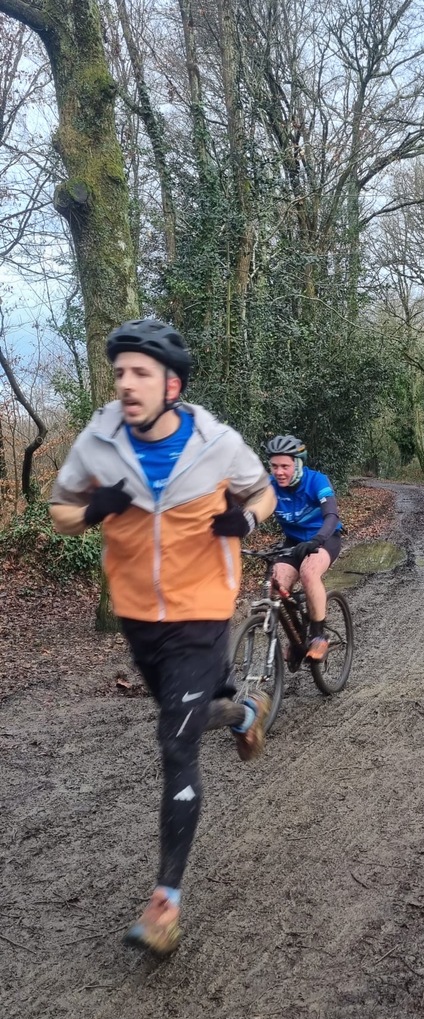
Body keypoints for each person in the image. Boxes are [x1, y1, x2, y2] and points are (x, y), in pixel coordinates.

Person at [50, 318, 277, 956]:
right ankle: (243, 713)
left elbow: (261, 493)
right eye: (120, 372)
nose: (126, 383)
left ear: (172, 384)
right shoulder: (97, 442)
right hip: (138, 614)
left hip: (202, 609)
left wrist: (246, 520)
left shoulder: (217, 444)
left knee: (175, 741)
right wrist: (91, 512)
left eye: (140, 373)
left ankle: (165, 903)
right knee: (187, 715)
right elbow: (60, 513)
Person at [266, 435, 342, 661]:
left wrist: (317, 540)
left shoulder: (316, 481)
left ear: (297, 464)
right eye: (274, 466)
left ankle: (318, 635)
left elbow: (331, 515)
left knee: (309, 572)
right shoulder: (270, 486)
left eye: (285, 466)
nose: (279, 472)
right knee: (275, 585)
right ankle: (297, 637)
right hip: (294, 541)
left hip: (324, 538)